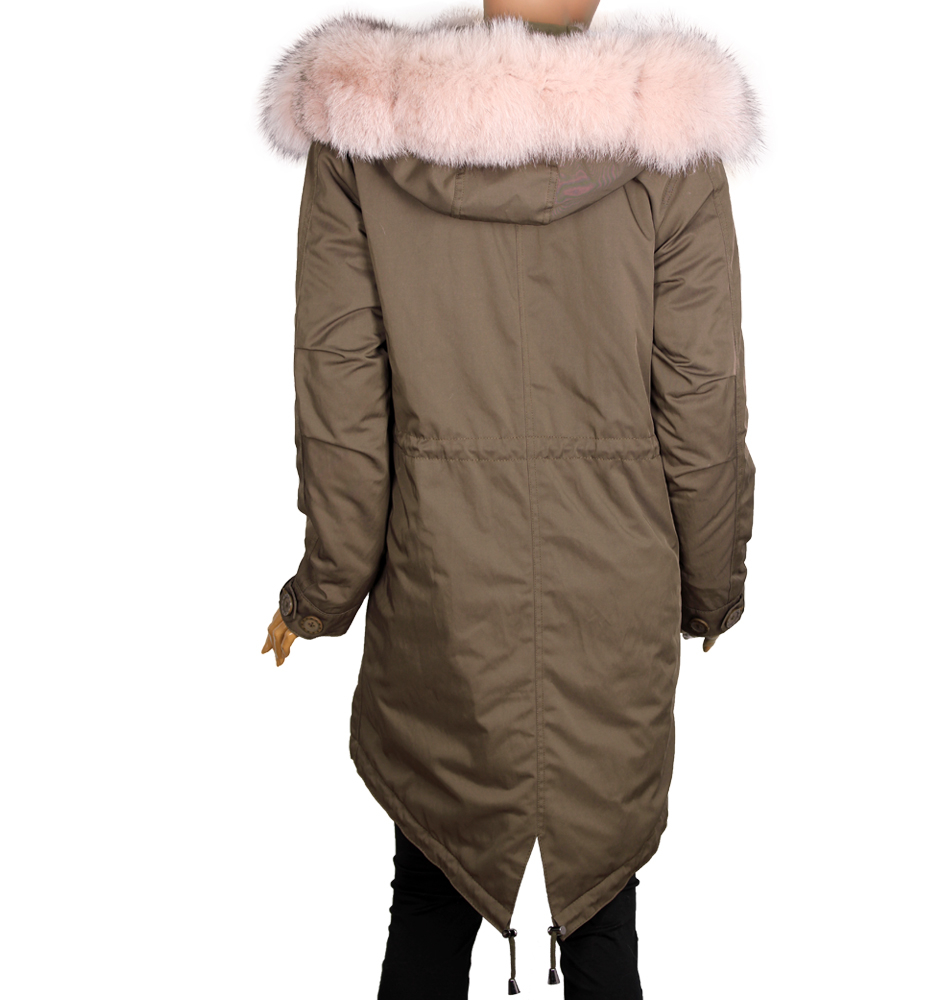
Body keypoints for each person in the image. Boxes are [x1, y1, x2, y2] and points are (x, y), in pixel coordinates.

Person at [258, 1, 761, 995]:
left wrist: (322, 592)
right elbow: (702, 397)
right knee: (604, 915)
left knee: (429, 897)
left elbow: (341, 403)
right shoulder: (668, 134)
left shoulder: (363, 131)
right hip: (613, 593)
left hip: (442, 590)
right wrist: (711, 582)